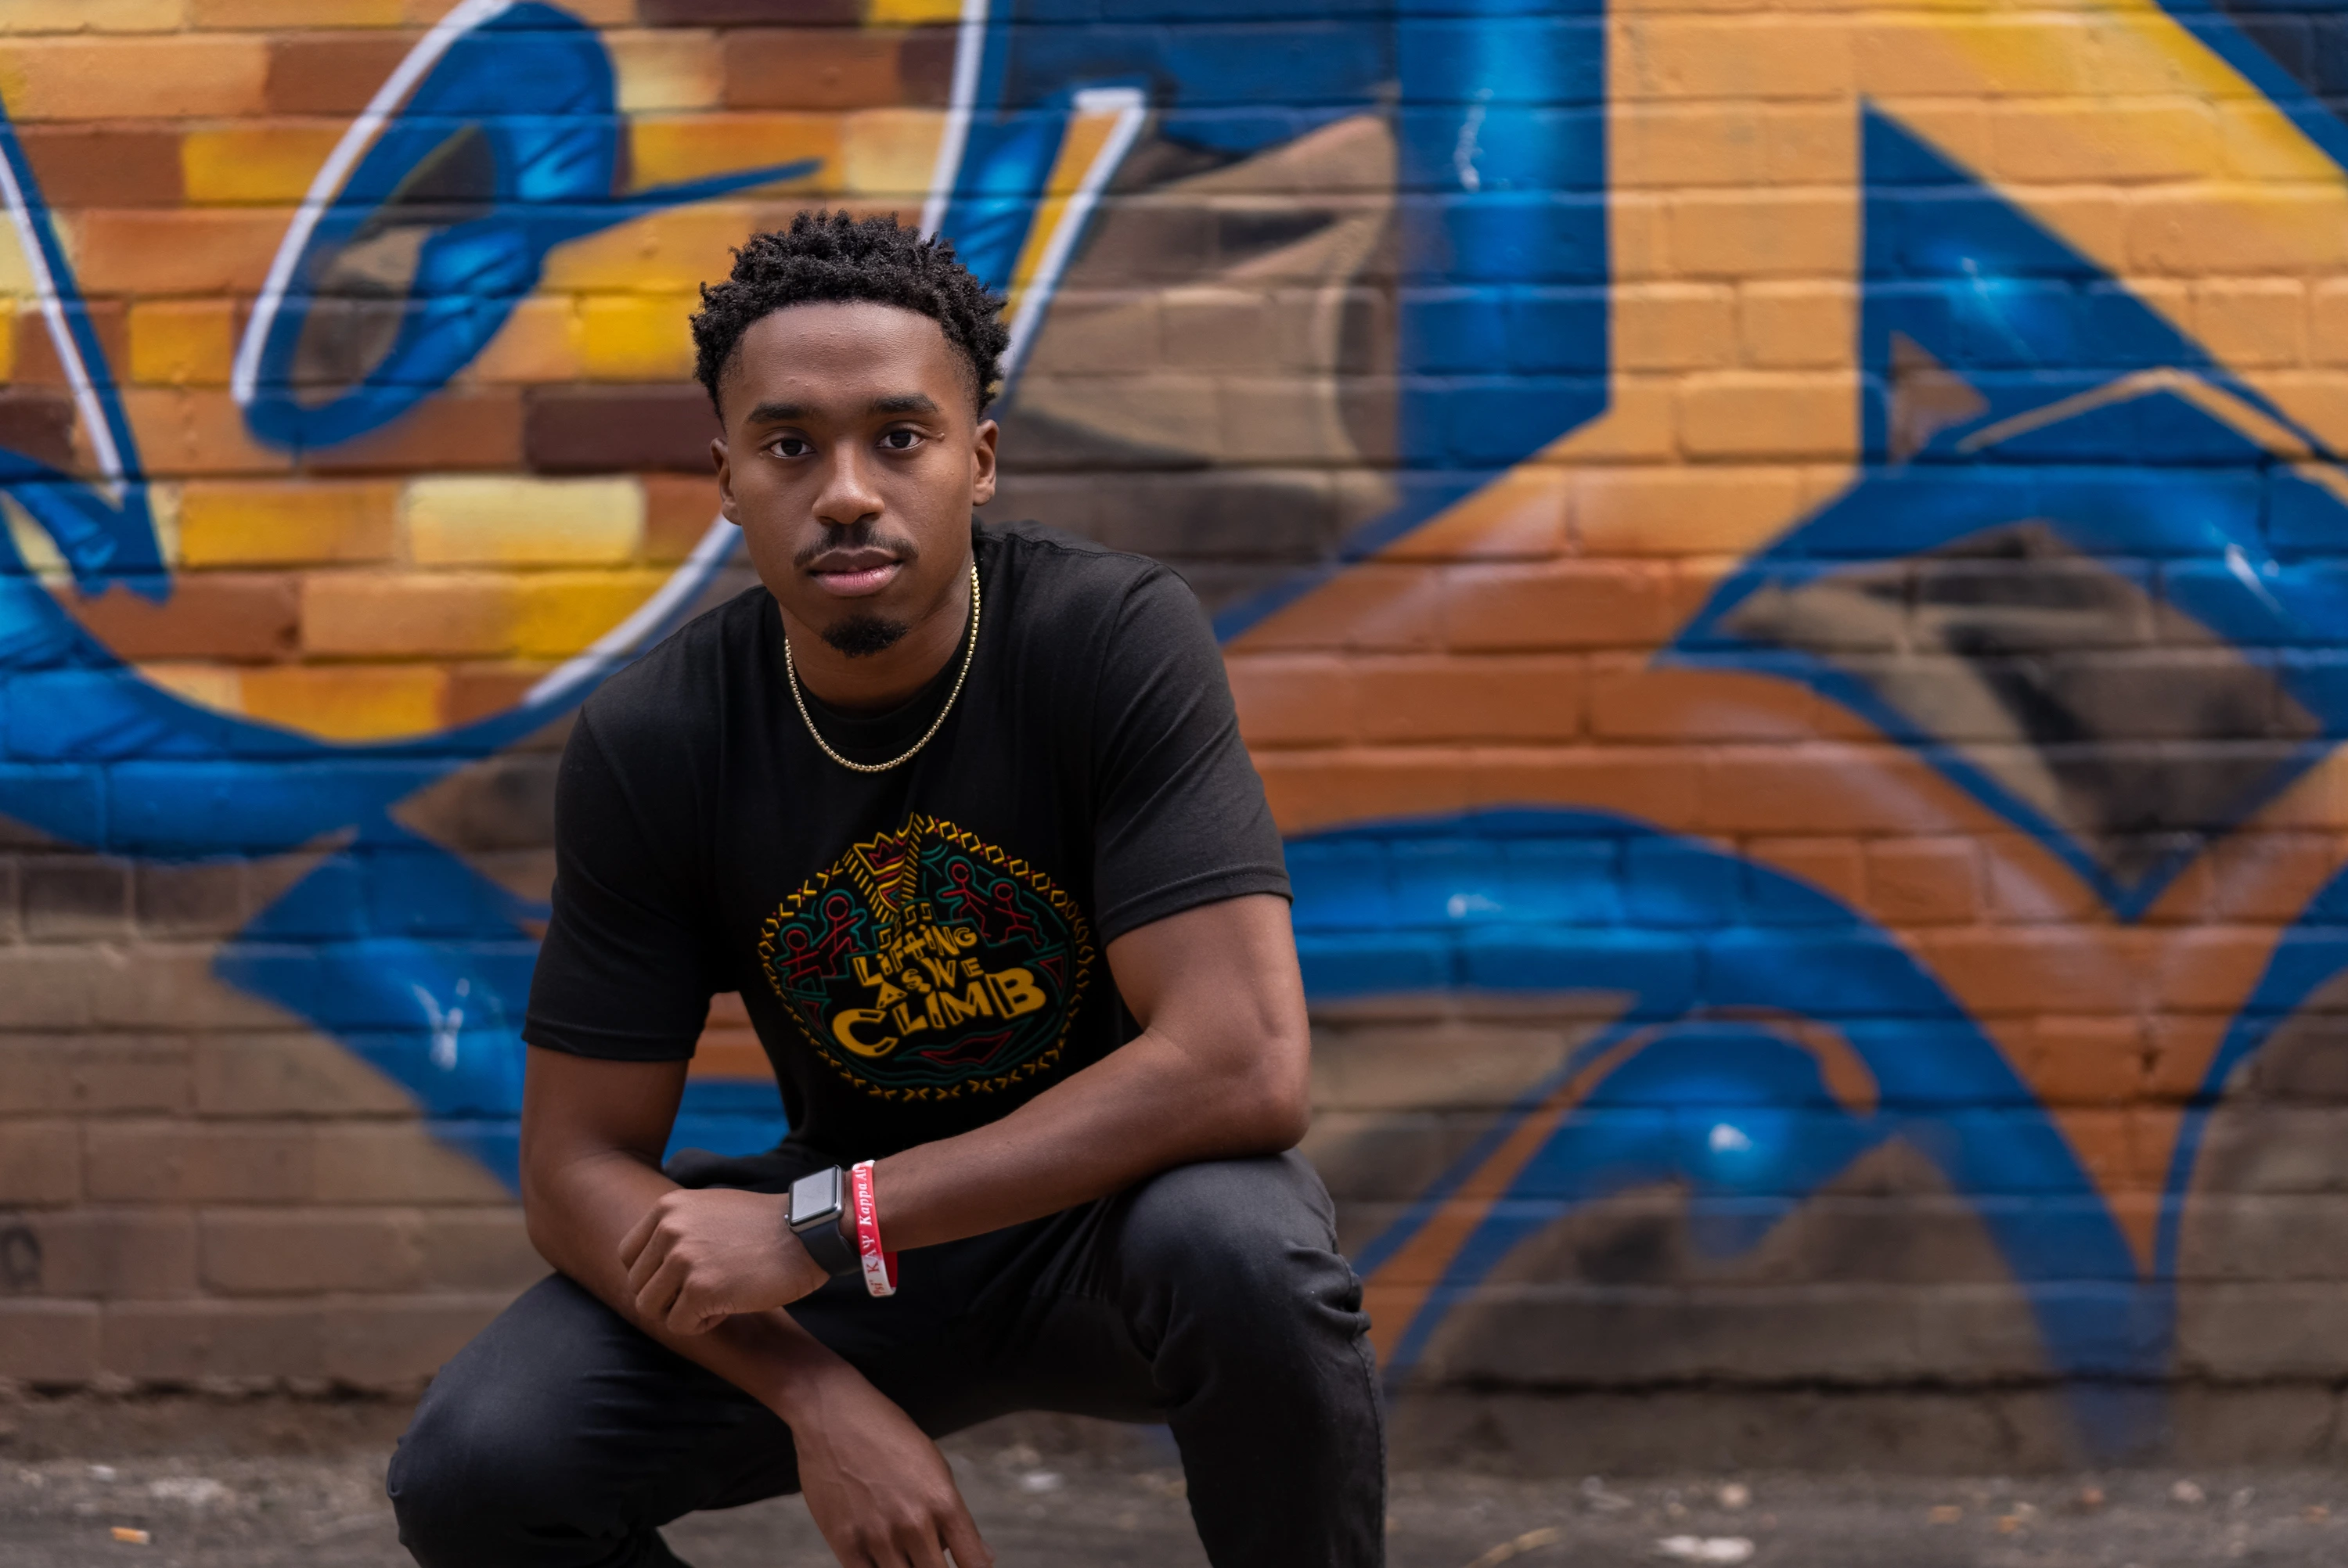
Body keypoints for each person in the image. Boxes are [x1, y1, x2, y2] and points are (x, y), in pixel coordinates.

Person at [385, 210, 1385, 1568]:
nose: (848, 491)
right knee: (477, 1467)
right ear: (728, 478)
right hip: (850, 1272)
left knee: (1244, 1245)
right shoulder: (660, 737)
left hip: (1109, 1225)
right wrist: (815, 1394)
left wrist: (827, 1223)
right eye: (791, 446)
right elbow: (573, 1171)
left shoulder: (1107, 638)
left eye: (900, 438)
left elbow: (1242, 1063)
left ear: (980, 461)